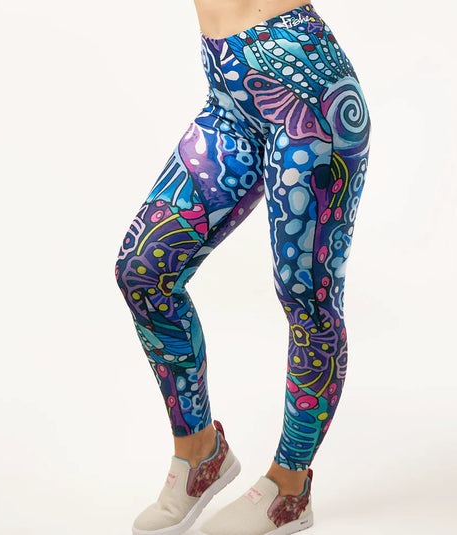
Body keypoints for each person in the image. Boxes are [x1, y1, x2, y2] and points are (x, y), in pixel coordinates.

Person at [115, 1, 371, 533]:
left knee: (307, 297)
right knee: (143, 271)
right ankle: (200, 453)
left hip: (310, 96)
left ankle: (289, 487)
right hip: (228, 95)